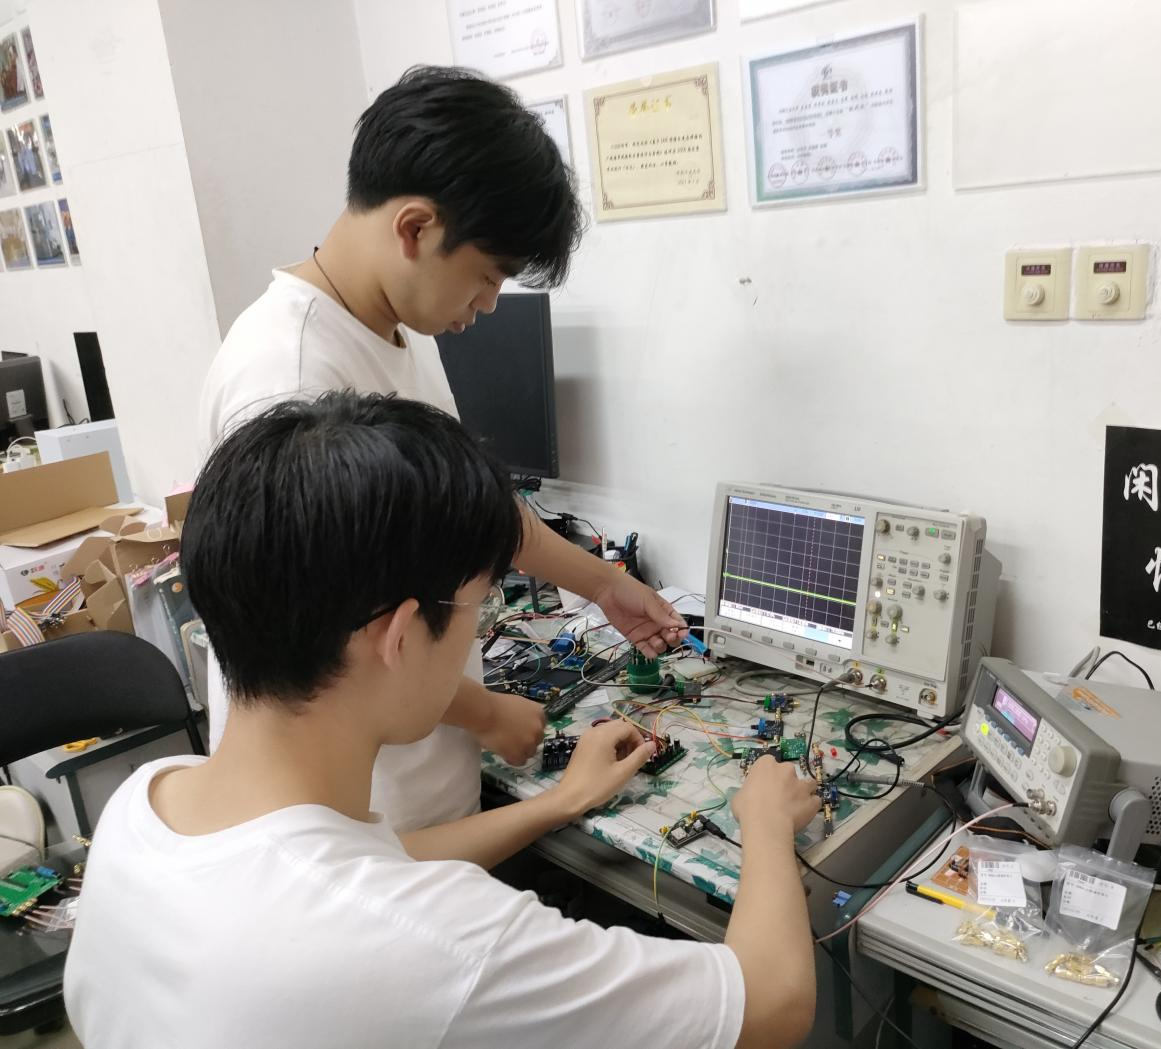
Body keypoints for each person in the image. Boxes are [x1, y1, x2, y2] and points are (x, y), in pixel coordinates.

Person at [65, 393, 819, 1049]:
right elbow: (772, 1006)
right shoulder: (438, 944)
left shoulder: (144, 805)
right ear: (398, 637)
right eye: (477, 609)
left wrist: (560, 802)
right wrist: (763, 825)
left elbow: (376, 863)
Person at [195, 65, 686, 832]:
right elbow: (324, 646)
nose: (487, 305)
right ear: (415, 229)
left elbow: (471, 512)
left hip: (419, 775)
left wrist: (602, 584)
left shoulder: (394, 323)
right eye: (486, 276)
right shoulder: (288, 377)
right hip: (354, 812)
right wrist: (485, 710)